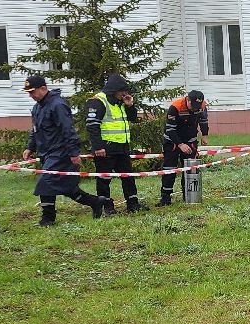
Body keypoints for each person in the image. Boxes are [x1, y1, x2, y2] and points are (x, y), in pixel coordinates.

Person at [22, 73, 111, 224]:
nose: (31, 96)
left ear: (43, 88)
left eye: (32, 92)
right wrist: (30, 147)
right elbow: (35, 129)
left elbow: (68, 130)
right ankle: (96, 202)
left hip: (60, 153)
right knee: (67, 187)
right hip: (46, 153)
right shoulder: (37, 108)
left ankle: (48, 218)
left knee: (45, 182)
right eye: (28, 93)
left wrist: (73, 153)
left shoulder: (58, 105)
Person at [84, 74, 143, 214]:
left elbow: (133, 118)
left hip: (122, 147)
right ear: (114, 89)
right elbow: (92, 126)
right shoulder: (98, 101)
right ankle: (107, 207)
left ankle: (133, 204)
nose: (125, 94)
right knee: (104, 179)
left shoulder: (120, 102)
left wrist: (130, 106)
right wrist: (98, 147)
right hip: (106, 148)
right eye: (122, 91)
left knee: (128, 177)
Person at [156, 90, 209, 206]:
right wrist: (180, 144)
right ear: (187, 100)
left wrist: (205, 135)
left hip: (190, 140)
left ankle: (189, 196)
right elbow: (170, 129)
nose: (195, 109)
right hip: (173, 142)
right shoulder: (175, 107)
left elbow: (203, 120)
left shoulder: (202, 105)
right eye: (193, 105)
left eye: (197, 106)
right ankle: (165, 198)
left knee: (191, 169)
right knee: (169, 169)